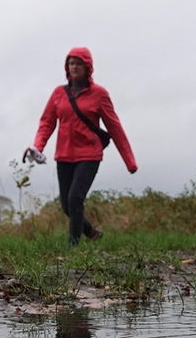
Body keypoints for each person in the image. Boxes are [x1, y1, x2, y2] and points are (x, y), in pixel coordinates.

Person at [25, 47, 137, 245]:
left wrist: (130, 162)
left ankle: (72, 246)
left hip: (89, 155)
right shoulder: (59, 93)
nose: (74, 67)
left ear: (88, 67)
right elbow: (47, 123)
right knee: (67, 205)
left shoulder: (99, 94)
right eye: (71, 63)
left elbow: (115, 127)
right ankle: (92, 232)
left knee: (75, 197)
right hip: (64, 155)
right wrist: (38, 147)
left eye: (78, 63)